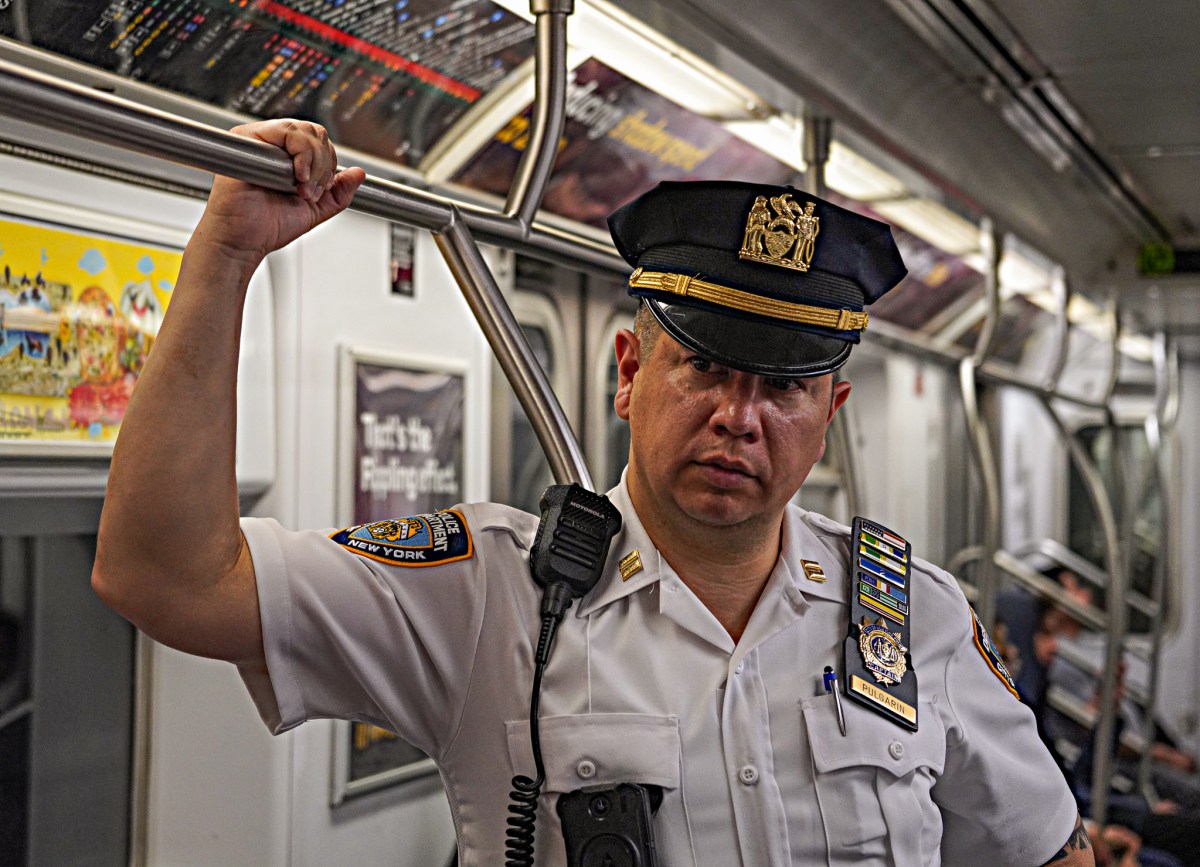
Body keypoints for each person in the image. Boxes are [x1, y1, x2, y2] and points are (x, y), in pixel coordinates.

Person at [92, 119, 1095, 866]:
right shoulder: (487, 593)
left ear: (828, 412)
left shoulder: (910, 613)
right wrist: (225, 257)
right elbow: (166, 577)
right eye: (702, 368)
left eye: (783, 387)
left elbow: (1049, 846)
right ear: (627, 371)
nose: (740, 419)